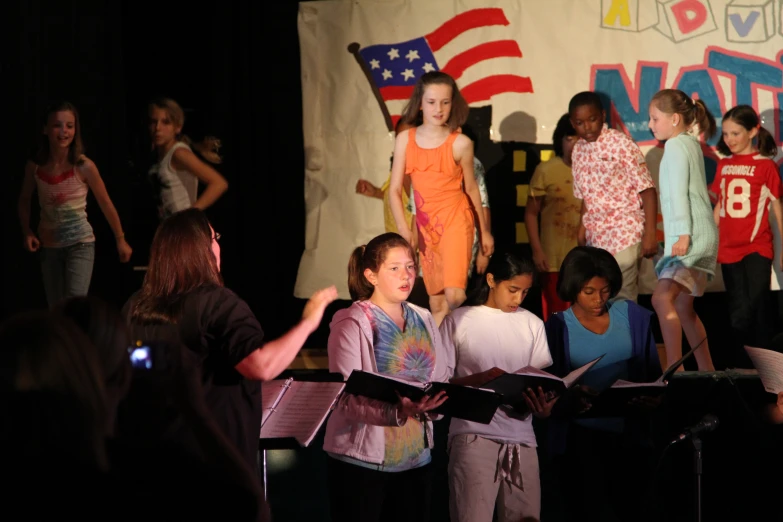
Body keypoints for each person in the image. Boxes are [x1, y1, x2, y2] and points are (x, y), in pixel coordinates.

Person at [123, 208, 337, 469]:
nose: (218, 246)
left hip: (149, 462)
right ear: (201, 249)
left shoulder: (134, 308)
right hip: (214, 468)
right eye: (215, 238)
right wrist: (309, 323)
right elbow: (260, 365)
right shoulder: (217, 304)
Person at [322, 232, 452, 522]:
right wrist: (396, 411)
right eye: (394, 268)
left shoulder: (424, 317)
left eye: (409, 266)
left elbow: (440, 377)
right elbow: (343, 397)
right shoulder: (353, 320)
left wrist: (432, 406)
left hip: (415, 460)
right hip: (362, 462)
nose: (405, 276)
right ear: (371, 275)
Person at [544, 246, 661, 522]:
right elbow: (549, 391)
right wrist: (570, 398)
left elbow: (652, 373)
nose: (599, 299)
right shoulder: (557, 328)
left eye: (605, 290)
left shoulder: (631, 315)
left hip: (629, 439)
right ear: (573, 288)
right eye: (589, 292)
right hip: (581, 443)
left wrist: (654, 397)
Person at [440, 251, 555, 522]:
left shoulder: (532, 324)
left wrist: (543, 405)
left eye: (525, 292)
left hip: (522, 438)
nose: (518, 299)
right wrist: (478, 379)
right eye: (512, 290)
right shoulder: (460, 320)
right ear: (492, 280)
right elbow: (440, 382)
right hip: (474, 435)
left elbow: (536, 380)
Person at [389, 71, 494, 325]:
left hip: (457, 219)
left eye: (445, 102)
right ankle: (443, 360)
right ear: (420, 103)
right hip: (426, 227)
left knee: (455, 295)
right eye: (432, 102)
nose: (439, 109)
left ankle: (470, 335)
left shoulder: (461, 143)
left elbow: (472, 190)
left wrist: (485, 232)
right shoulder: (405, 139)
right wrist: (406, 231)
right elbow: (394, 190)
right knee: (435, 300)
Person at [17, 101, 133, 308]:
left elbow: (105, 203)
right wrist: (26, 231)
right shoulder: (35, 166)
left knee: (74, 307)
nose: (64, 131)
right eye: (57, 125)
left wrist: (120, 239)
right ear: (45, 129)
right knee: (55, 308)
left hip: (80, 244)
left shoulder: (83, 166)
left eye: (69, 126)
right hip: (49, 247)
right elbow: (24, 199)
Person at [648, 89, 718, 372]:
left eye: (655, 118)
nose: (651, 125)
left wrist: (683, 236)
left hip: (691, 236)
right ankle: (707, 369)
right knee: (683, 308)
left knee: (661, 297)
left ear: (675, 119)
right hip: (702, 234)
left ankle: (675, 369)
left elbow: (678, 194)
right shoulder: (689, 142)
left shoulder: (677, 145)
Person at [569, 91, 658, 302]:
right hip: (596, 237)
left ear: (602, 116)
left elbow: (647, 190)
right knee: (601, 297)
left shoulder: (621, 144)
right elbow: (586, 196)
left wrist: (650, 234)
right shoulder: (578, 151)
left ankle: (628, 335)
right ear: (573, 124)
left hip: (624, 231)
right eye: (580, 122)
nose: (587, 127)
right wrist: (582, 229)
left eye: (592, 119)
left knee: (622, 295)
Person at [711, 105, 783, 367]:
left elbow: (777, 208)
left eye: (736, 133)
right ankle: (741, 369)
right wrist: (709, 241)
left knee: (759, 308)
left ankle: (767, 372)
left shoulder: (765, 166)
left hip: (756, 247)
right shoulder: (725, 164)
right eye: (726, 133)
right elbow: (720, 205)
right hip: (729, 248)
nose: (729, 139)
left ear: (753, 131)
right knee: (737, 312)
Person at [526, 113, 581, 320]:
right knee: (556, 316)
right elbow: (531, 214)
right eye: (569, 139)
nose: (574, 145)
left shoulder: (596, 171)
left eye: (579, 139)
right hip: (553, 260)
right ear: (560, 140)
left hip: (584, 259)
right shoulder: (546, 170)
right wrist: (537, 251)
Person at [148, 98, 229, 219]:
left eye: (166, 122)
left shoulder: (179, 153)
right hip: (169, 229)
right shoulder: (159, 155)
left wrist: (189, 215)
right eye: (153, 122)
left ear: (178, 127)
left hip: (183, 230)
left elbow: (219, 183)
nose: (157, 128)